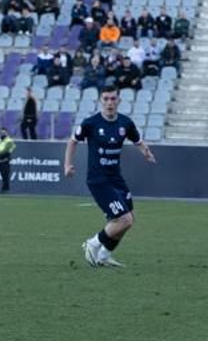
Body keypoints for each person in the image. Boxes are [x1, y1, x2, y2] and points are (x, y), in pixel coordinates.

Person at [66, 85, 157, 269]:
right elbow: (72, 141)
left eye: (113, 99)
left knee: (128, 219)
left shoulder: (125, 123)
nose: (109, 103)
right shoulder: (90, 123)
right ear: (101, 100)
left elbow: (138, 141)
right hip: (98, 180)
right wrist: (67, 164)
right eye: (106, 99)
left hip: (116, 178)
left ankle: (104, 256)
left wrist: (146, 153)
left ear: (119, 101)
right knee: (124, 220)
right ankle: (92, 243)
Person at [0, 129, 16, 193]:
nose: (3, 134)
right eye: (1, 133)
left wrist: (7, 156)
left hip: (5, 158)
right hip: (0, 158)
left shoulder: (9, 140)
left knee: (6, 175)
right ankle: (4, 188)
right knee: (3, 175)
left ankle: (5, 189)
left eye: (4, 133)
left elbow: (11, 149)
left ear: (7, 133)